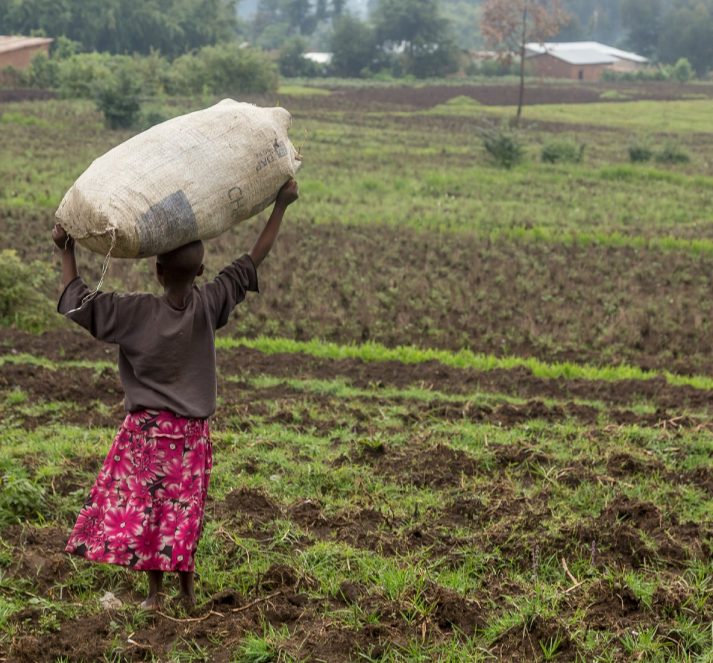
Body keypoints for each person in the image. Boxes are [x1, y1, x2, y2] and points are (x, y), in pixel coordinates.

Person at [53, 179, 299, 610]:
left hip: (145, 434)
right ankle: (186, 592)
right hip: (190, 437)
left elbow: (78, 302)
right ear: (202, 271)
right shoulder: (210, 304)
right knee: (184, 513)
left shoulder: (133, 313)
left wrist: (66, 250)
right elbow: (253, 259)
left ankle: (154, 594)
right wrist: (280, 204)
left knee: (149, 509)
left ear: (157, 271)